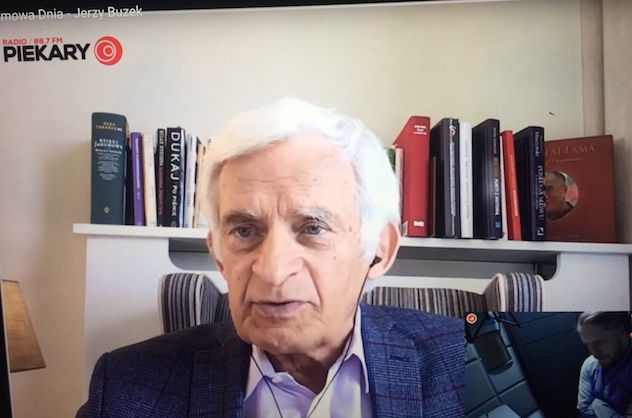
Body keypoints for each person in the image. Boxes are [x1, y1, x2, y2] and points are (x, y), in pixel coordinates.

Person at [76, 98, 465, 417]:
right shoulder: (126, 388)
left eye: (313, 228)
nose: (273, 271)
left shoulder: (465, 362)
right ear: (218, 255)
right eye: (245, 231)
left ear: (379, 250)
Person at [576, 311, 632, 418]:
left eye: (598, 342)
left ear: (622, 331)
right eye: (588, 344)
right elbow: (584, 411)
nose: (594, 352)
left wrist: (598, 406)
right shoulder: (589, 366)